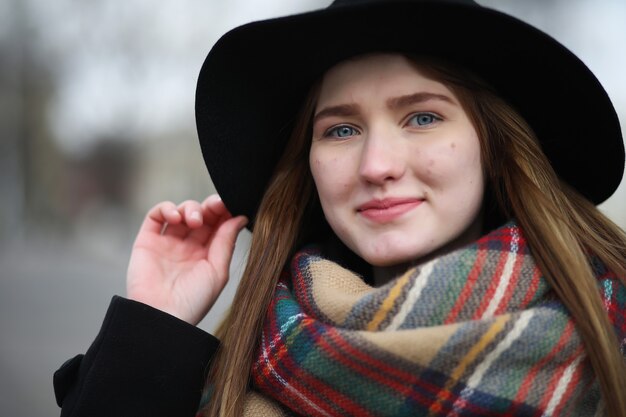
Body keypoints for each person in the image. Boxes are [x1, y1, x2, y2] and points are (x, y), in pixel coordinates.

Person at [54, 0, 626, 416]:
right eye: (342, 129)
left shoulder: (612, 338)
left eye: (422, 117)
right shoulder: (228, 374)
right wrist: (154, 325)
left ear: (492, 146)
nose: (376, 164)